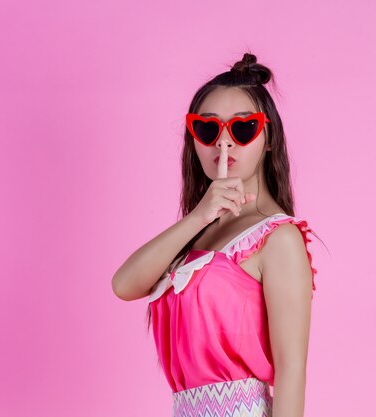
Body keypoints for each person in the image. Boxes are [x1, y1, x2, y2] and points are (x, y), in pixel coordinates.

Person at [111, 52, 324, 417]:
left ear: (268, 138)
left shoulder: (279, 239)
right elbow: (124, 285)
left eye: (243, 129)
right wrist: (200, 216)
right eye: (208, 129)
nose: (223, 144)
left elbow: (292, 371)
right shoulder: (197, 233)